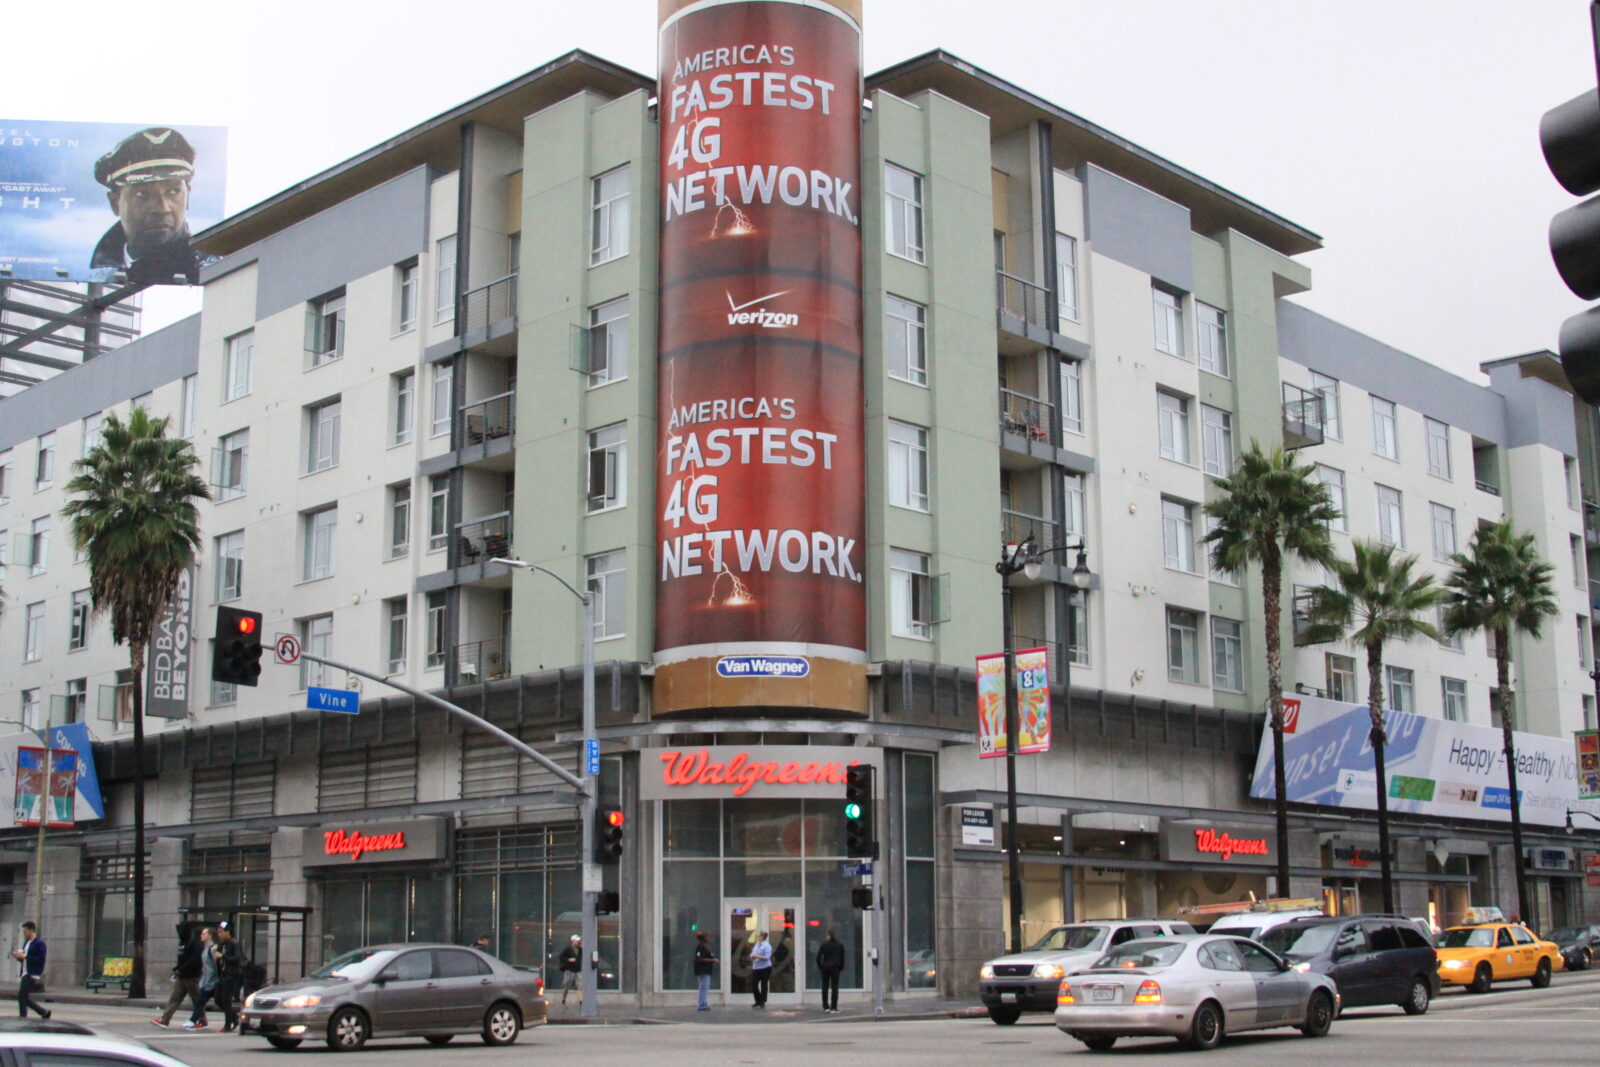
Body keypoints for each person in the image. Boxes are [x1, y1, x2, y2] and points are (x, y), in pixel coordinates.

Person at [89, 127, 203, 285]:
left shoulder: (208, 270)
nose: (162, 208)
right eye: (142, 194)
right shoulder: (98, 276)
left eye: (173, 191)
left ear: (187, 195)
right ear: (115, 202)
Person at [152, 925, 202, 1027]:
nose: (179, 933)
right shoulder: (182, 943)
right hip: (182, 976)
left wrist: (182, 968)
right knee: (175, 999)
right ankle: (164, 1019)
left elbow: (195, 960)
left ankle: (202, 1019)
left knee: (196, 1000)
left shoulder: (195, 943)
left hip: (191, 976)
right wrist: (177, 968)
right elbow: (182, 959)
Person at [11, 922, 49, 1019]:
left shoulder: (39, 943)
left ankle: (23, 1017)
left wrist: (25, 956)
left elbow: (40, 960)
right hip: (25, 972)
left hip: (32, 973)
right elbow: (24, 959)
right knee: (23, 996)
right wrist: (19, 956)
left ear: (31, 930)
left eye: (26, 931)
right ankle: (44, 1012)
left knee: (21, 996)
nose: (24, 933)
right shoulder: (27, 943)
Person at [211, 922, 243, 1032]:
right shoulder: (222, 944)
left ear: (227, 932)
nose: (219, 934)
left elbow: (237, 958)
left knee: (226, 999)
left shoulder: (234, 944)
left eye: (221, 932)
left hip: (232, 975)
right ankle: (234, 1017)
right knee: (218, 999)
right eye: (218, 932)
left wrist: (223, 956)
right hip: (223, 974)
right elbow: (217, 954)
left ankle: (228, 1024)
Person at [184, 928, 216, 1030]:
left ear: (210, 936)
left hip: (212, 982)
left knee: (200, 1002)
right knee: (202, 1002)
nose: (202, 935)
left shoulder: (212, 949)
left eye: (204, 934)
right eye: (201, 933)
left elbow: (216, 966)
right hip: (206, 981)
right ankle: (233, 1018)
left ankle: (192, 1021)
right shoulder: (205, 948)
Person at [816, 930, 845, 1013]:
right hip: (835, 968)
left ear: (828, 936)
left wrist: (821, 966)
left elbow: (818, 957)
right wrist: (840, 967)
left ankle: (826, 1006)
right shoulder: (839, 945)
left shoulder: (824, 945)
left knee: (825, 987)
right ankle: (834, 1006)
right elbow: (842, 958)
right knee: (834, 987)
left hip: (825, 968)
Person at [693, 930, 717, 1011]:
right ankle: (702, 1004)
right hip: (703, 970)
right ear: (704, 938)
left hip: (705, 970)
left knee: (703, 987)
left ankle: (703, 1003)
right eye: (707, 937)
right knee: (704, 987)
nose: (709, 938)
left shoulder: (703, 946)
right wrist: (712, 960)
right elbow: (699, 958)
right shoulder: (701, 946)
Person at [750, 931, 772, 1009]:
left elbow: (766, 957)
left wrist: (757, 956)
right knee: (753, 983)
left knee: (764, 984)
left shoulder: (767, 946)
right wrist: (752, 956)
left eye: (759, 936)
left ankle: (762, 1001)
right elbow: (753, 953)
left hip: (765, 968)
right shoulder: (757, 944)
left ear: (763, 937)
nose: (758, 937)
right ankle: (758, 1000)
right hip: (756, 967)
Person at [558, 934, 581, 1005]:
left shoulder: (580, 949)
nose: (578, 942)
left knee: (579, 986)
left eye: (578, 941)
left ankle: (581, 1001)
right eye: (577, 941)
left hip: (577, 970)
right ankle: (563, 999)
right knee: (567, 986)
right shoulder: (568, 949)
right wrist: (569, 959)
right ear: (572, 941)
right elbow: (561, 957)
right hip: (569, 970)